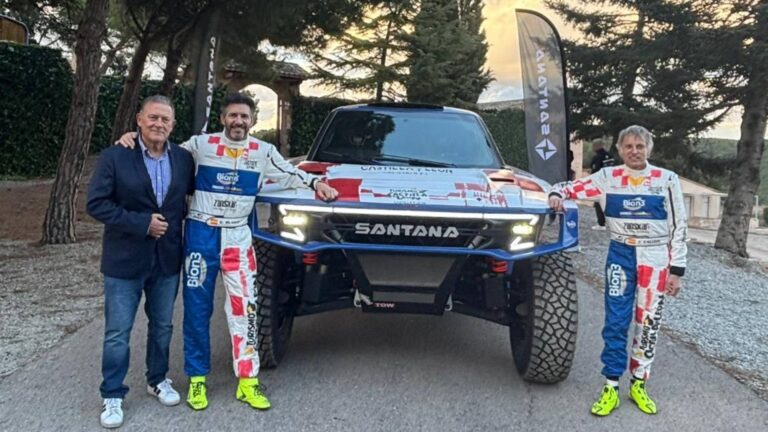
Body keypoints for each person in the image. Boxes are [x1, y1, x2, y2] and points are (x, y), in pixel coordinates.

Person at [117, 92, 338, 412]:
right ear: (223, 118)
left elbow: (291, 173)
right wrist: (133, 137)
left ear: (253, 120)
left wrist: (317, 184)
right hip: (201, 234)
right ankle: (197, 380)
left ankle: (247, 381)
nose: (238, 121)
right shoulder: (201, 145)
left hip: (237, 236)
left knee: (245, 308)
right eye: (233, 115)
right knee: (196, 310)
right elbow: (162, 151)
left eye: (244, 116)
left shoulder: (262, 151)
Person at [548, 125, 687, 416]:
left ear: (649, 149)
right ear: (620, 150)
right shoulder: (608, 177)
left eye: (640, 146)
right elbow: (567, 187)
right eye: (629, 146)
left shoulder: (666, 179)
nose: (634, 151)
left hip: (655, 257)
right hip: (621, 254)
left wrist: (677, 270)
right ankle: (611, 384)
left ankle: (639, 382)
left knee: (648, 321)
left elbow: (679, 227)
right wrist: (555, 195)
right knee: (616, 320)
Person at [88, 95, 195, 428]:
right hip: (124, 261)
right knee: (117, 333)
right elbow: (96, 204)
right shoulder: (115, 156)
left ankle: (157, 379)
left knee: (162, 326)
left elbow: (192, 198)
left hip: (167, 260)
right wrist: (141, 223)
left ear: (173, 125)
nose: (158, 124)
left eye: (165, 119)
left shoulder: (183, 159)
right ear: (139, 119)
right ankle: (113, 394)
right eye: (153, 117)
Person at [589, 140, 615, 230]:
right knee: (609, 203)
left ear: (597, 146)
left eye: (594, 145)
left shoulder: (597, 157)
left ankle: (601, 224)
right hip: (611, 182)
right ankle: (611, 223)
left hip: (600, 183)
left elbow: (595, 171)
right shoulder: (610, 156)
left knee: (599, 203)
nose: (593, 147)